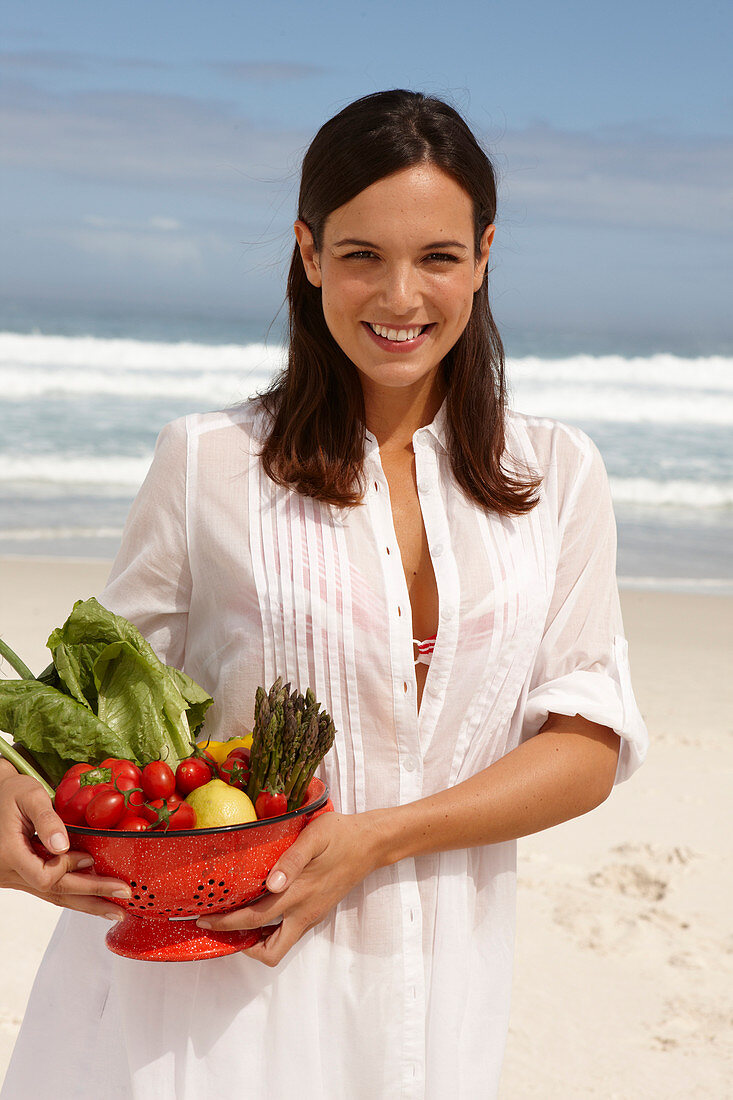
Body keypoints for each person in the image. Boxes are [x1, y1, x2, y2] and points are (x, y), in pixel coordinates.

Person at [0, 89, 647, 1098]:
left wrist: (377, 837)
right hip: (212, 981)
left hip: (438, 976)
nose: (399, 296)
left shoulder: (559, 474)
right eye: (359, 255)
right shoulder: (206, 463)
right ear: (308, 254)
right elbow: (91, 715)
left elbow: (584, 743)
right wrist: (12, 791)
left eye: (437, 256)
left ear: (483, 255)